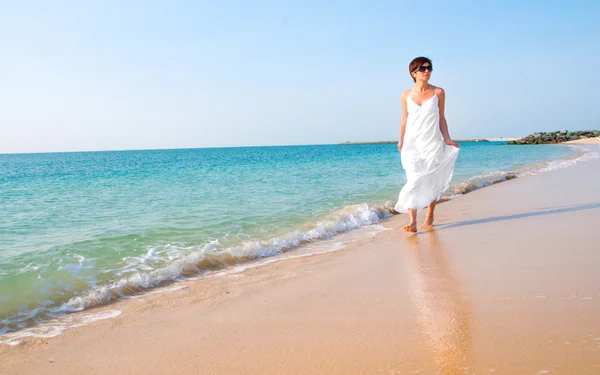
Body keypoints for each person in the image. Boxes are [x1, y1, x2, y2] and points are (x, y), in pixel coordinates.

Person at [395, 57, 460, 232]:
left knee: (431, 178)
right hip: (412, 144)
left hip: (432, 142)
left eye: (429, 67)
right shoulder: (406, 95)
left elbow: (442, 118)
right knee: (414, 178)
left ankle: (430, 214)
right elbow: (404, 119)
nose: (427, 71)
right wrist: (401, 140)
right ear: (413, 73)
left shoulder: (438, 92)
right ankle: (413, 221)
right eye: (423, 68)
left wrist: (447, 139)